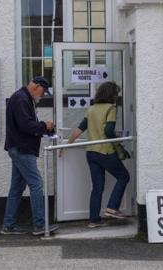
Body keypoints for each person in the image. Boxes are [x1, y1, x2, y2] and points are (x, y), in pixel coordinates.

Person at [62, 81, 130, 228]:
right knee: (124, 176)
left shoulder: (91, 109)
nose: (116, 97)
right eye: (116, 94)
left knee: (97, 187)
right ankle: (112, 207)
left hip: (91, 153)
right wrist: (119, 144)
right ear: (111, 94)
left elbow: (79, 129)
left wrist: (66, 146)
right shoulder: (111, 108)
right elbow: (109, 131)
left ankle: (94, 220)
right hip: (105, 151)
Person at [1, 76, 59, 236]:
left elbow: (25, 125)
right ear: (36, 87)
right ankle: (39, 225)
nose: (42, 95)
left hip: (18, 148)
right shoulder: (21, 99)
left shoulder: (21, 97)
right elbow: (26, 126)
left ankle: (8, 225)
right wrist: (45, 126)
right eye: (43, 92)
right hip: (22, 149)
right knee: (36, 184)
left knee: (17, 188)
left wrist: (43, 128)